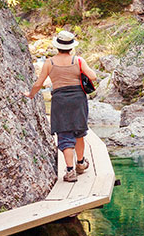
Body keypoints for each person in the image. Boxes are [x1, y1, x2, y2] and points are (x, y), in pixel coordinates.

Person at [25, 30, 97, 182]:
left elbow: (39, 83)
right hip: (78, 100)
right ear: (71, 47)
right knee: (79, 131)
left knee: (64, 134)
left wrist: (31, 95)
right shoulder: (78, 61)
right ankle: (81, 163)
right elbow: (93, 76)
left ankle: (70, 171)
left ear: (57, 46)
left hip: (60, 100)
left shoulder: (49, 63)